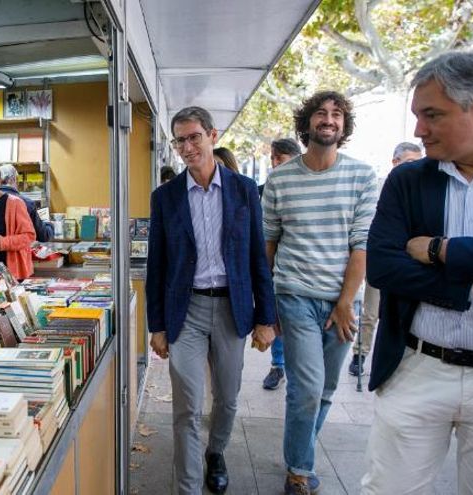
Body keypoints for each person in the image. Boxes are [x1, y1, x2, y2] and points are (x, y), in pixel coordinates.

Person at [362, 49, 473, 495]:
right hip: (417, 369)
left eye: (431, 115)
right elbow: (384, 267)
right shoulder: (407, 181)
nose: (418, 130)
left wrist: (440, 250)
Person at [146, 106, 276, 494]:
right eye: (180, 140)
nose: (187, 147)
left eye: (194, 137)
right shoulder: (165, 197)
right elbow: (158, 264)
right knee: (187, 403)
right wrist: (157, 326)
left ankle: (215, 451)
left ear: (212, 135)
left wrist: (266, 318)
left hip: (232, 308)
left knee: (228, 397)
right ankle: (187, 487)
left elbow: (257, 256)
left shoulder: (244, 189)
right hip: (185, 311)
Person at [261, 90, 377, 495]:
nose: (329, 120)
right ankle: (299, 470)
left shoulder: (362, 177)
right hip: (294, 296)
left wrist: (346, 303)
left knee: (326, 391)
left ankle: (300, 452)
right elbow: (269, 245)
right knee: (307, 388)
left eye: (337, 115)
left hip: (343, 301)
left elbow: (361, 244)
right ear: (307, 122)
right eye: (321, 114)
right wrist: (267, 304)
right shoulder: (279, 178)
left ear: (344, 126)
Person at [348, 141, 422, 377]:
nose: (414, 168)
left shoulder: (419, 192)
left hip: (409, 264)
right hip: (378, 261)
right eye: (410, 162)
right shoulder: (378, 188)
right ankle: (360, 354)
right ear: (395, 162)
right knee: (370, 311)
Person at [261, 137, 302, 390]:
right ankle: (278, 365)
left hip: (301, 275)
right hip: (275, 270)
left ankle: (293, 367)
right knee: (276, 317)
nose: (275, 163)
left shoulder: (306, 189)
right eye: (273, 159)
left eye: (280, 158)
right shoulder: (265, 189)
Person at [0, 164, 54, 242]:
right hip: (18, 252)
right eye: (17, 180)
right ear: (12, 180)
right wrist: (49, 224)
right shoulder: (26, 203)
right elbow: (44, 236)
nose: (17, 183)